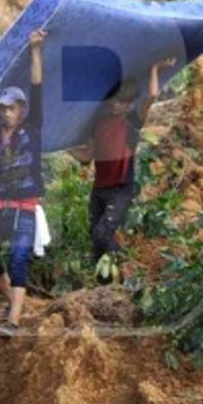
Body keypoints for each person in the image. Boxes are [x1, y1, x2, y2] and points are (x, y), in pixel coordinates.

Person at [69, 56, 177, 284]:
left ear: (129, 104)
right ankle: (104, 287)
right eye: (115, 101)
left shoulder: (131, 123)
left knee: (103, 233)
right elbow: (87, 156)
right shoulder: (99, 122)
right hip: (99, 189)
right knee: (95, 238)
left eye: (123, 102)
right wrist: (65, 148)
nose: (117, 105)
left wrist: (155, 68)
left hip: (121, 189)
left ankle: (127, 275)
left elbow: (151, 97)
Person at [0, 29, 47, 336]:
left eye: (11, 108)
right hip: (0, 205)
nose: (6, 112)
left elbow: (37, 87)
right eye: (2, 108)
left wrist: (35, 51)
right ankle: (16, 302)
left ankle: (13, 320)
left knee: (18, 258)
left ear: (21, 110)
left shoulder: (32, 130)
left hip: (25, 207)